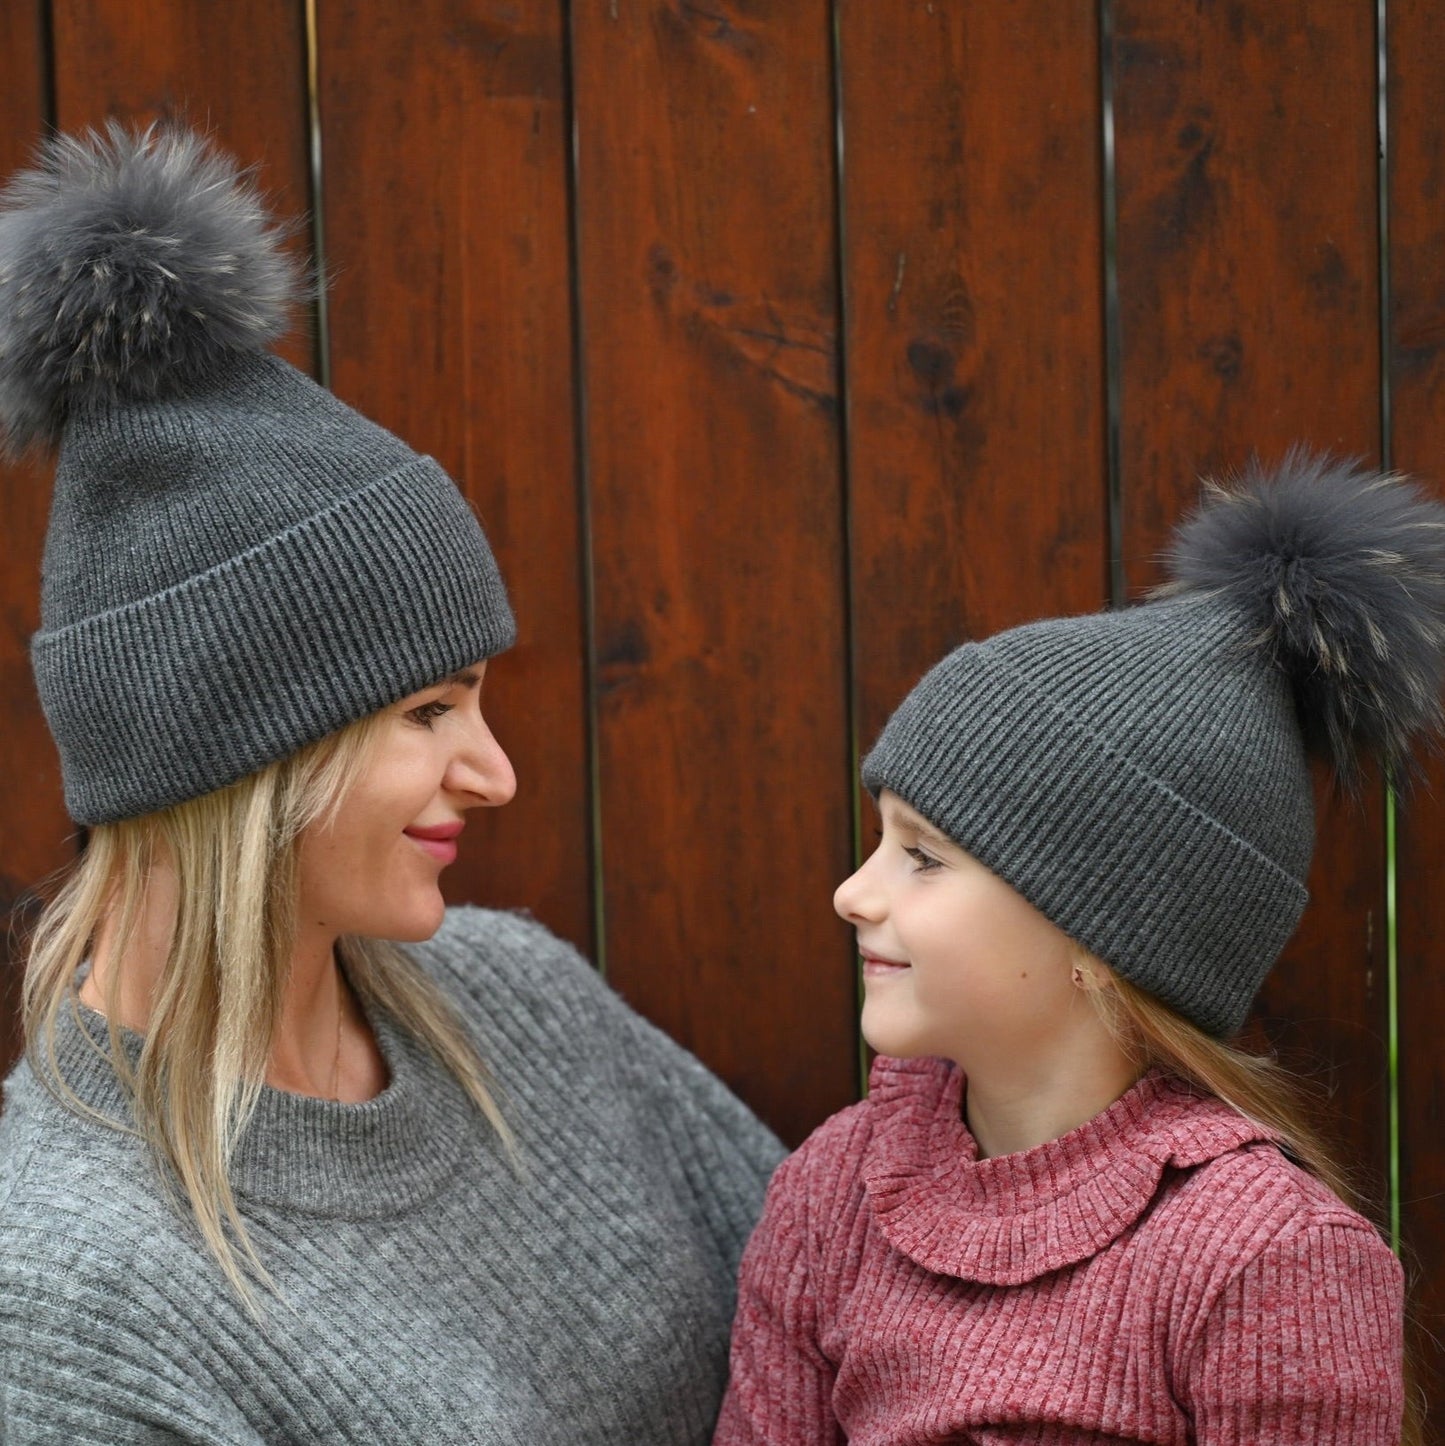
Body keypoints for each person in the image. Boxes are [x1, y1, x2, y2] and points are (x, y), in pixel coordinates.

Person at [0, 123, 783, 1444]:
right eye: (429, 709)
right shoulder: (71, 1298)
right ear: (238, 750)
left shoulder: (520, 1002)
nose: (494, 771)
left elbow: (833, 1304)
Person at [715, 451, 1437, 1445]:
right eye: (876, 837)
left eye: (921, 857)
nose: (851, 893)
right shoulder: (835, 1192)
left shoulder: (1265, 1258)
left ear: (1104, 933)